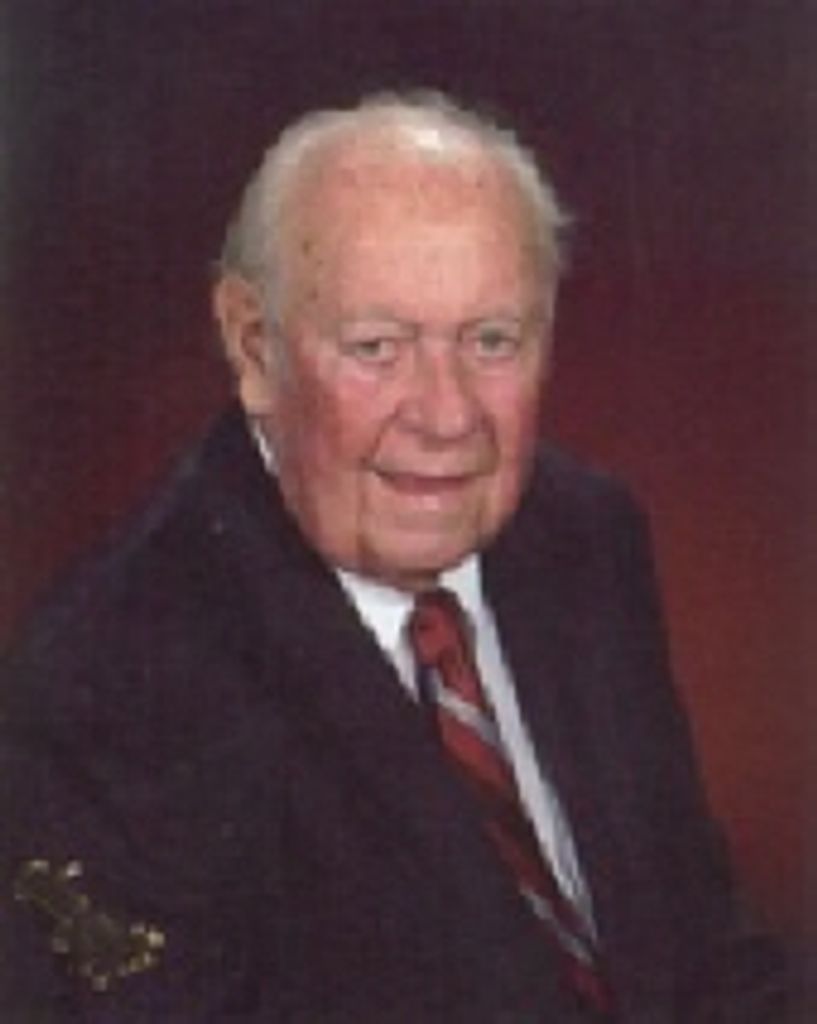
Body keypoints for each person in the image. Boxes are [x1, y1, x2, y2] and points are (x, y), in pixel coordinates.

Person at [0, 92, 784, 1022]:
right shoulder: (107, 687)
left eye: (491, 341)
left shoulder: (584, 536)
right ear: (253, 348)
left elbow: (704, 957)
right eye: (377, 347)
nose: (447, 416)